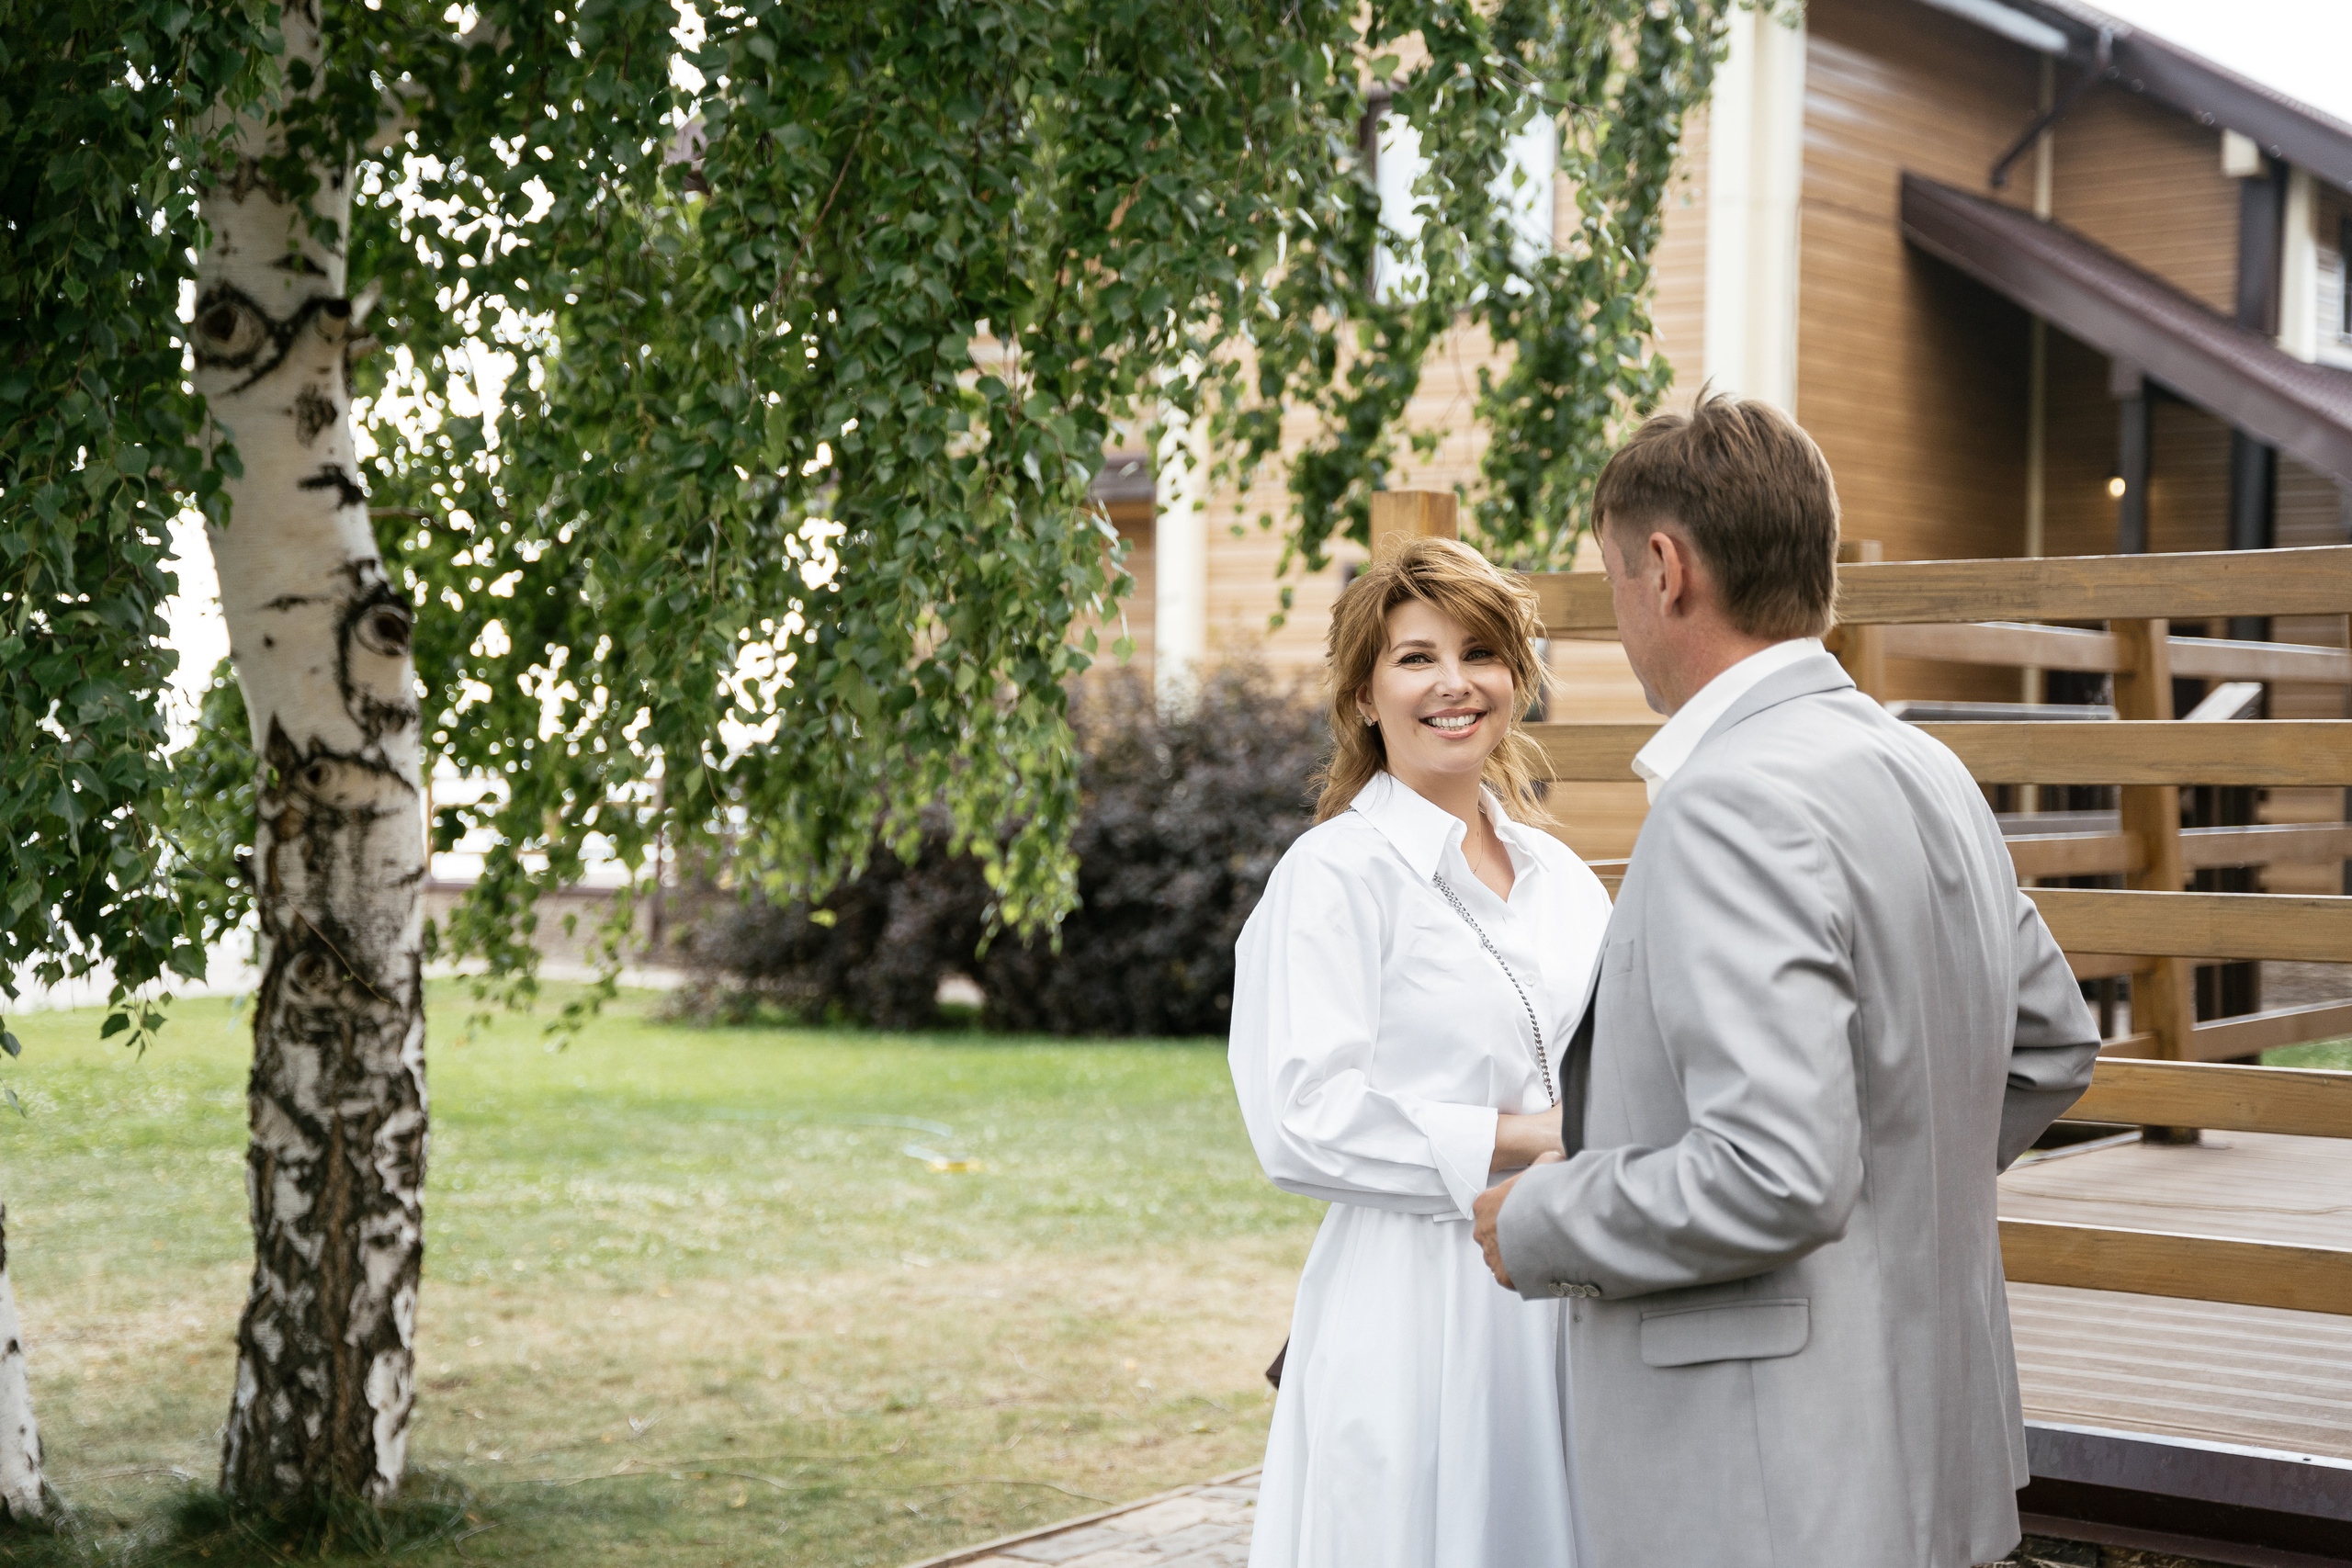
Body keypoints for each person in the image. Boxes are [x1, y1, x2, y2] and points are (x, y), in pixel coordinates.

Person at [1471, 394, 2101, 1568]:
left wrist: (1546, 1217)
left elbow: (1775, 1173)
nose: (1614, 614)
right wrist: (1887, 1212)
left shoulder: (1729, 803)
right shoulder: (1928, 769)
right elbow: (2050, 1049)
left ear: (1665, 569)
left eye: (1611, 579)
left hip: (1766, 1488)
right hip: (1926, 1454)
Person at [1229, 536, 1611, 1568]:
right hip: (1410, 1308)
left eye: (1481, 652)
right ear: (1362, 694)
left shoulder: (1565, 879)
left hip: (1569, 1286)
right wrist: (1530, 1136)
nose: (1454, 683)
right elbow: (1298, 1122)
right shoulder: (1332, 877)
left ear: (1517, 679)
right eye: (1414, 657)